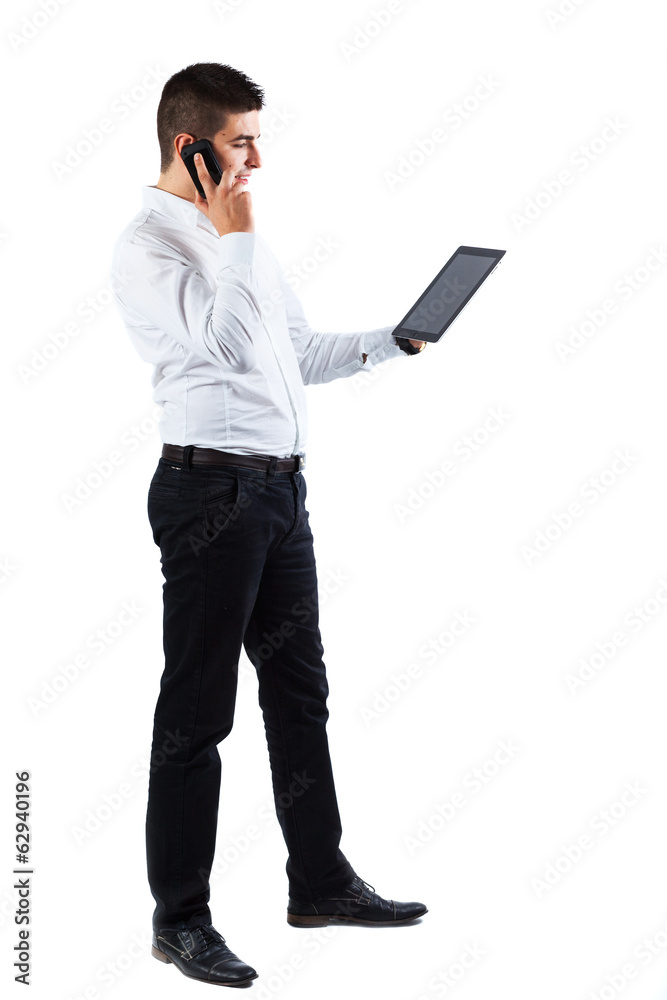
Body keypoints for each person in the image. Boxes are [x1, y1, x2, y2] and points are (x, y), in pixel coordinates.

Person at [110, 62, 428, 988]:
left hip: (280, 497)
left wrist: (390, 340)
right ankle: (180, 921)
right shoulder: (150, 247)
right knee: (197, 714)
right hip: (209, 500)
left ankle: (320, 882)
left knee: (300, 696)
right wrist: (236, 233)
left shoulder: (244, 238)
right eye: (243, 140)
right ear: (192, 145)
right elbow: (224, 346)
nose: (258, 156)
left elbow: (291, 353)